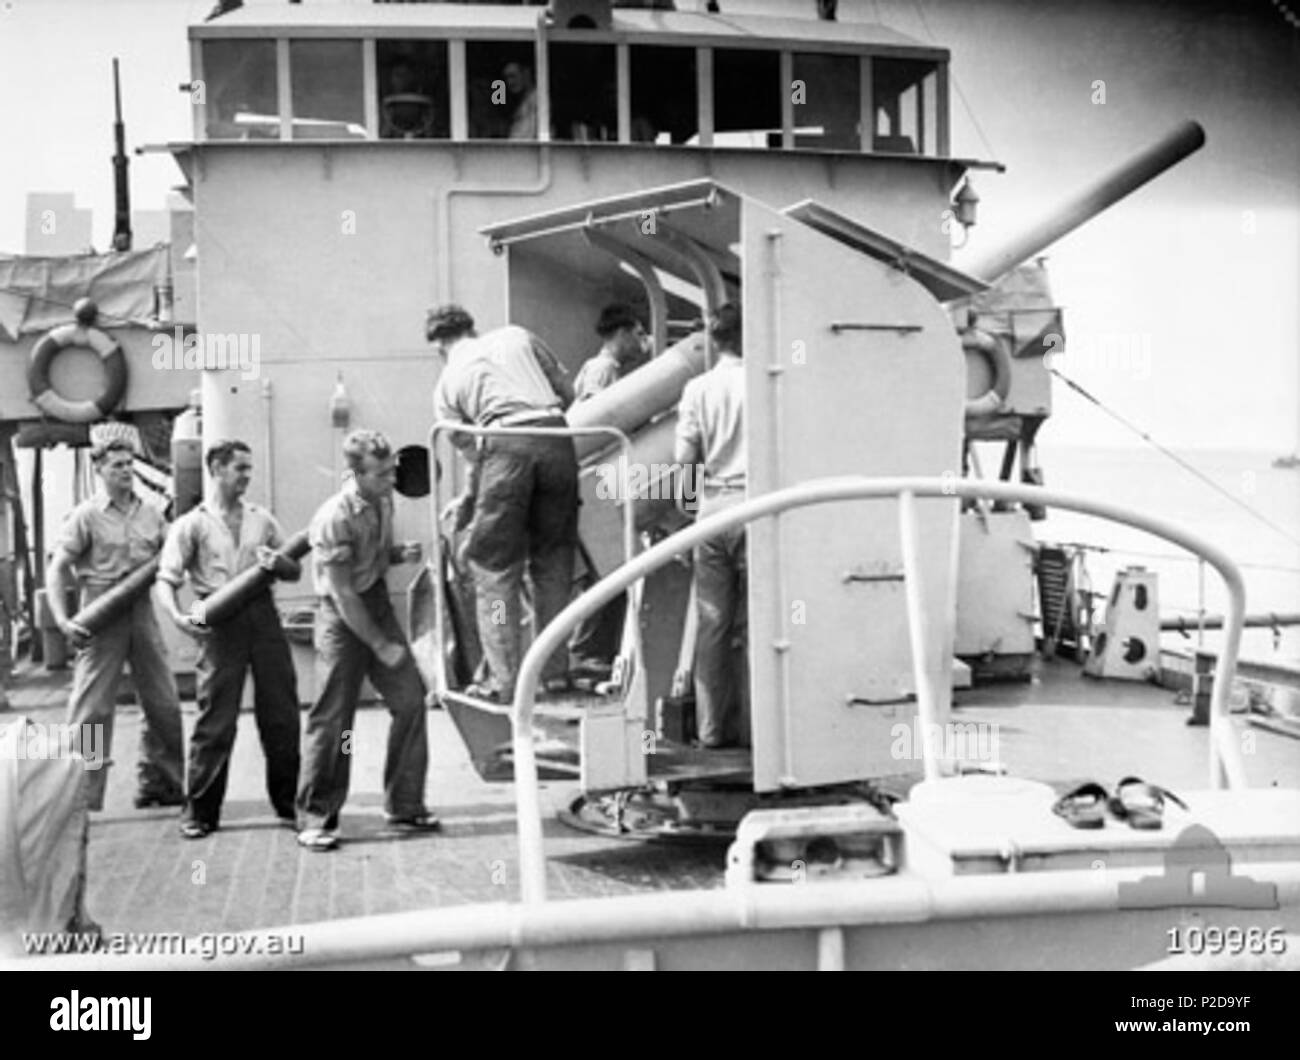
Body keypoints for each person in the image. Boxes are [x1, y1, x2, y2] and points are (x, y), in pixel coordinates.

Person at [429, 304, 578, 702]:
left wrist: (468, 500)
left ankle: (506, 680)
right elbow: (568, 391)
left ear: (438, 346)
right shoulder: (516, 335)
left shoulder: (446, 384)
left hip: (504, 448)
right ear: (473, 327)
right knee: (554, 562)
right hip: (557, 443)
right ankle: (556, 672)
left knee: (493, 568)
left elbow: (476, 455)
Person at [296, 430, 436, 852]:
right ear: (355, 474)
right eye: (381, 474)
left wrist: (395, 555)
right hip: (342, 617)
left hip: (372, 600)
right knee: (335, 720)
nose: (391, 480)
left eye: (392, 470)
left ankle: (405, 805)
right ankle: (316, 816)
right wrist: (380, 645)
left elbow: (367, 558)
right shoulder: (333, 517)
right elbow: (342, 593)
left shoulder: (383, 498)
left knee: (411, 701)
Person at [154, 440, 301, 839]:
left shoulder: (262, 519)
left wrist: (280, 564)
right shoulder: (192, 524)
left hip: (263, 617)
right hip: (219, 620)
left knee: (282, 715)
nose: (247, 476)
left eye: (249, 468)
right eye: (240, 468)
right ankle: (200, 811)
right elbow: (166, 580)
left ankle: (289, 805)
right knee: (215, 721)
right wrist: (180, 618)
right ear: (217, 470)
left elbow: (293, 569)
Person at [45, 439, 185, 810]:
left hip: (140, 611)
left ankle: (161, 783)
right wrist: (63, 620)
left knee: (164, 704)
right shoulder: (85, 516)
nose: (124, 471)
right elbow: (58, 569)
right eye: (116, 466)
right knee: (91, 712)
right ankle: (83, 794)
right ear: (100, 471)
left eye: (128, 464)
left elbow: (174, 556)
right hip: (100, 613)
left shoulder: (153, 515)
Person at [673, 303, 750, 749]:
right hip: (760, 506)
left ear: (715, 339)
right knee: (760, 625)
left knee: (713, 624)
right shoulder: (768, 381)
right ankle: (759, 731)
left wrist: (689, 509)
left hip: (712, 511)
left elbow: (687, 459)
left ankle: (711, 732)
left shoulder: (697, 388)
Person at [568, 303, 652, 681]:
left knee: (608, 573)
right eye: (638, 333)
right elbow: (595, 424)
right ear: (620, 333)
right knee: (609, 572)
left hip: (602, 481)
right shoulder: (603, 371)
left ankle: (591, 651)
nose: (642, 341)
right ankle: (586, 652)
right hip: (599, 482)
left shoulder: (604, 369)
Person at [571, 303, 651, 405]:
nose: (643, 341)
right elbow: (591, 407)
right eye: (639, 334)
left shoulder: (609, 367)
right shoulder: (602, 367)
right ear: (623, 334)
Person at [503, 61, 537, 140]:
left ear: (526, 73)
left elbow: (527, 135)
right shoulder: (523, 100)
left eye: (513, 76)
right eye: (506, 78)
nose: (509, 82)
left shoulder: (537, 100)